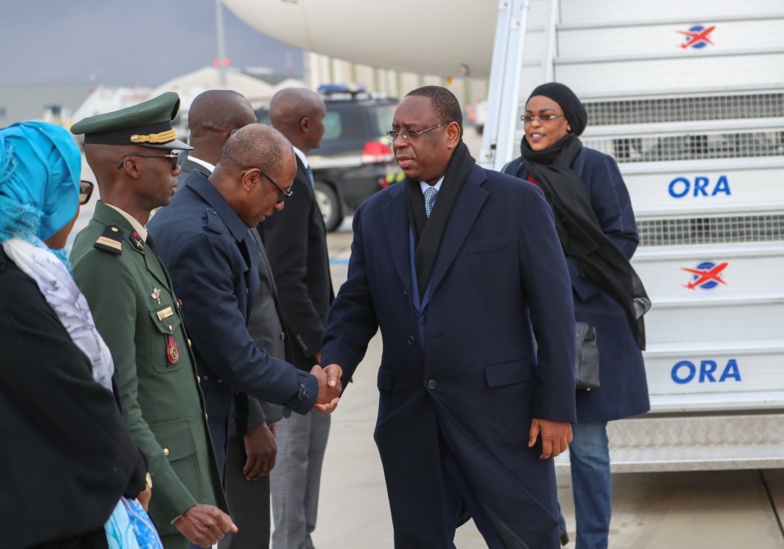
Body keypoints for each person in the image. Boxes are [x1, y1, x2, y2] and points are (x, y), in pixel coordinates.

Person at [320, 85, 577, 548]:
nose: (400, 143)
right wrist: (336, 359)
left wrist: (556, 407)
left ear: (452, 133)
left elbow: (554, 312)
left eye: (413, 132)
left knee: (528, 538)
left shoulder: (515, 201)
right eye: (395, 133)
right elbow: (357, 301)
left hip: (500, 417)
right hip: (411, 417)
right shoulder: (375, 215)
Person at [69, 92, 237, 549]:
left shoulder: (135, 245)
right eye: (168, 158)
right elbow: (118, 400)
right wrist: (178, 504)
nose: (178, 169)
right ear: (132, 166)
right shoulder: (105, 260)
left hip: (184, 488)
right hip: (163, 505)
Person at [146, 123, 341, 491]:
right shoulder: (202, 238)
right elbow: (232, 355)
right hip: (190, 430)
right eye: (280, 191)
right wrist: (309, 387)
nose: (280, 205)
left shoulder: (210, 216)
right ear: (251, 179)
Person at [503, 82, 651, 549]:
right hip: (524, 325)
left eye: (545, 116)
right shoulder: (513, 173)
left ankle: (593, 543)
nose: (535, 124)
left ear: (569, 122)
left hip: (582, 325)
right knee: (531, 444)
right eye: (529, 116)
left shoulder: (596, 167)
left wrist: (560, 281)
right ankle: (545, 537)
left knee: (586, 448)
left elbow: (622, 236)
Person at [0, 121, 158, 548]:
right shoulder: (15, 285)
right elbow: (72, 395)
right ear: (47, 194)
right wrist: (133, 471)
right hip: (50, 516)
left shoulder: (31, 270)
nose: (76, 208)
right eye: (76, 192)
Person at [178, 89, 283, 549]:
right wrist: (253, 416)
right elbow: (220, 332)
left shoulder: (221, 194)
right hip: (233, 412)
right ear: (231, 136)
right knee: (243, 534)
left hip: (249, 397)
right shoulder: (190, 200)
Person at [265, 87, 334, 549]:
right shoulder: (288, 177)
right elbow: (286, 277)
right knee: (293, 465)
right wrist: (319, 346)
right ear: (307, 125)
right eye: (322, 119)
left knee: (306, 462)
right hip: (295, 355)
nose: (324, 127)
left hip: (302, 348)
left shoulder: (294, 171)